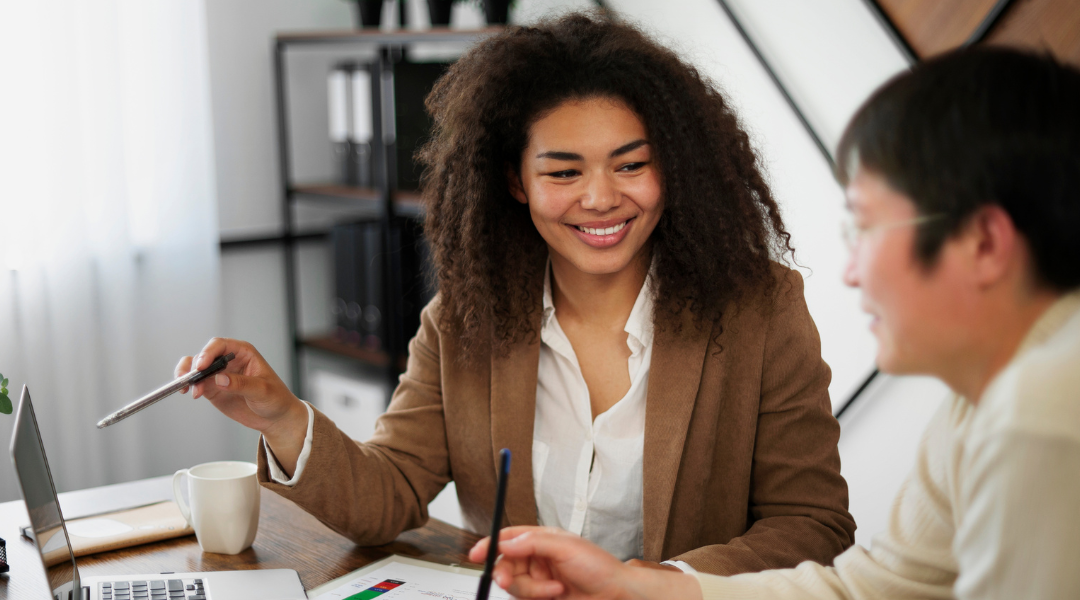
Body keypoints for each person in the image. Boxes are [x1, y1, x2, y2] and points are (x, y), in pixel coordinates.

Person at [176, 12, 855, 574]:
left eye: (632, 165)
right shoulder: (464, 321)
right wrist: (281, 417)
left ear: (672, 166)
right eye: (563, 171)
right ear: (514, 181)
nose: (600, 198)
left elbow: (812, 523)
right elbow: (391, 495)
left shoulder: (759, 309)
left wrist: (652, 586)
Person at [466, 46, 1080, 599]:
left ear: (984, 243)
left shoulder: (1041, 410)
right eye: (564, 171)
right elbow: (878, 587)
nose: (851, 273)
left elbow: (817, 530)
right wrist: (631, 586)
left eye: (865, 227)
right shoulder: (982, 402)